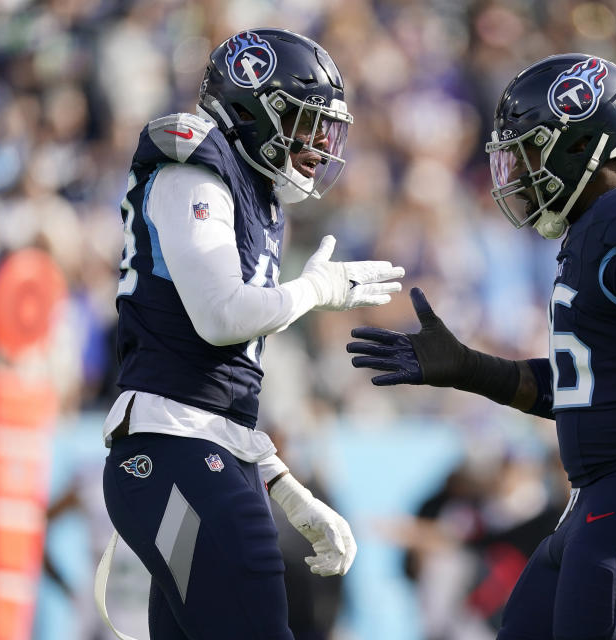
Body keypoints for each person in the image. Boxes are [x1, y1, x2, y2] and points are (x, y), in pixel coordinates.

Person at [348, 54, 616, 639]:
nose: (518, 172)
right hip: (598, 501)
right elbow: (585, 390)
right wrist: (467, 368)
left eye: (529, 151)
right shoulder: (597, 227)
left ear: (581, 145)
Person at [100, 29, 404, 639]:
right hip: (169, 448)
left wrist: (282, 483)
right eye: (303, 120)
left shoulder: (257, 198)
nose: (319, 143)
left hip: (202, 447)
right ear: (250, 108)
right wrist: (317, 290)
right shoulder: (194, 172)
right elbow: (221, 318)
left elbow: (218, 388)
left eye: (326, 128)